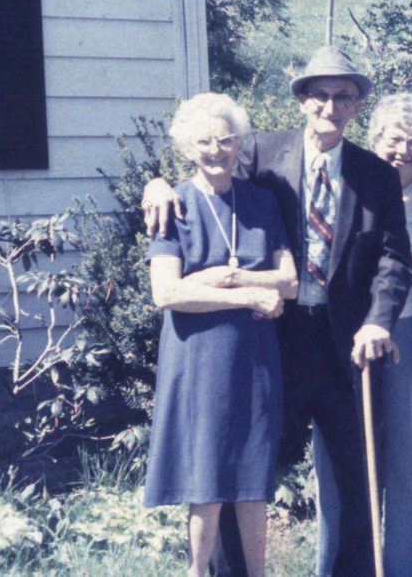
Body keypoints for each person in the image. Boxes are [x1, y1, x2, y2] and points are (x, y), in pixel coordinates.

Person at [143, 47, 412, 577]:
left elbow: (395, 258)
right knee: (236, 462)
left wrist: (380, 319)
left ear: (357, 106)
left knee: (359, 474)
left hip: (346, 344)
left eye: (343, 97)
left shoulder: (375, 175)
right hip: (273, 340)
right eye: (319, 95)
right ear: (302, 101)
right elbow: (206, 168)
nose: (330, 107)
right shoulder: (261, 154)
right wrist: (154, 185)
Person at [143, 93, 297, 577]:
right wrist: (249, 295)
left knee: (253, 473)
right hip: (198, 358)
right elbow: (166, 293)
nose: (216, 150)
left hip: (255, 357)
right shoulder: (173, 206)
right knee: (205, 475)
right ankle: (197, 571)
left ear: (240, 145)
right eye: (204, 141)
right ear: (188, 146)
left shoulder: (261, 202)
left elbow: (289, 281)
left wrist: (216, 279)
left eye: (227, 139)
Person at [318, 92, 412, 576]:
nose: (402, 150)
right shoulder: (348, 181)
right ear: (374, 139)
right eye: (392, 138)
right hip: (347, 340)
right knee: (344, 464)